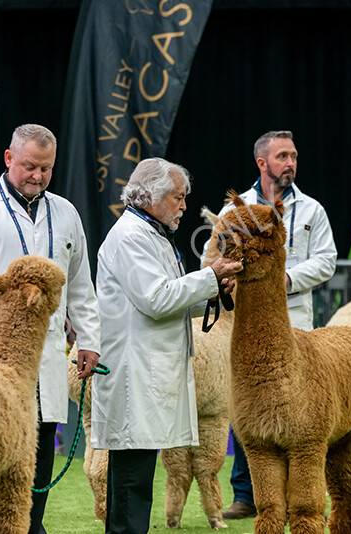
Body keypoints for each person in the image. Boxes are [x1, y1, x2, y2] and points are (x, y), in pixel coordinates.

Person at [0, 124, 100, 534]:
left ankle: (31, 525)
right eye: (29, 166)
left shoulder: (65, 213)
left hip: (45, 355)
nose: (38, 176)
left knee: (39, 446)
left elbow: (80, 284)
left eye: (46, 169)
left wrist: (89, 340)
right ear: (9, 159)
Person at [91, 157, 243, 534]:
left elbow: (166, 296)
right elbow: (156, 300)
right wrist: (209, 277)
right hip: (134, 377)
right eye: (178, 197)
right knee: (130, 485)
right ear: (151, 197)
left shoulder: (151, 234)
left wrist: (210, 288)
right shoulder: (130, 236)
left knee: (136, 483)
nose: (184, 205)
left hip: (146, 374)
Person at [204, 130, 337, 520]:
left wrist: (286, 278)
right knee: (250, 407)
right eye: (282, 156)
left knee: (302, 413)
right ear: (262, 162)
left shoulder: (311, 210)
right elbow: (212, 253)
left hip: (295, 318)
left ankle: (305, 497)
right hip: (246, 321)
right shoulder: (237, 212)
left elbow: (327, 259)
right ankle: (247, 494)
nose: (290, 163)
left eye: (294, 155)